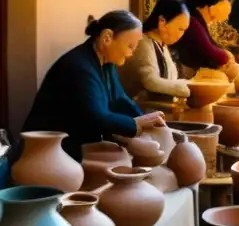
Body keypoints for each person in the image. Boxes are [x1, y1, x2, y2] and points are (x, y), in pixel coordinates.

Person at [21, 11, 165, 160]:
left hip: (76, 146)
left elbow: (120, 100)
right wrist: (135, 125)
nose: (132, 53)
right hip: (49, 153)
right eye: (130, 46)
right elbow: (95, 117)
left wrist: (145, 120)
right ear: (107, 38)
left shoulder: (107, 62)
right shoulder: (79, 67)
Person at [119, 0, 192, 102]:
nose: (182, 35)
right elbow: (151, 81)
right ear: (162, 22)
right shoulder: (142, 42)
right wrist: (188, 88)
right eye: (180, 29)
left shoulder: (162, 45)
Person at [173, 0, 239, 75]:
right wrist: (226, 56)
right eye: (226, 13)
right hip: (181, 69)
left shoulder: (197, 17)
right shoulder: (192, 20)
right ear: (212, 8)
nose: (226, 18)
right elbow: (208, 50)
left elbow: (209, 43)